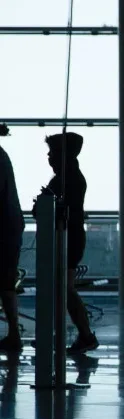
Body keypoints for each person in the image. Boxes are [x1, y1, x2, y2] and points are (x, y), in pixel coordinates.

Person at [37, 132, 99, 354]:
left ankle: (85, 335)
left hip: (67, 238)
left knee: (65, 288)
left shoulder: (66, 179)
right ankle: (77, 334)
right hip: (71, 237)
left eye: (52, 152)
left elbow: (54, 210)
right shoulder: (70, 176)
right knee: (63, 289)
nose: (49, 157)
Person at [0, 124, 25, 353]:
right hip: (9, 227)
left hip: (3, 229)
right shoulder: (2, 156)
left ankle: (14, 335)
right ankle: (14, 334)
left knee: (6, 284)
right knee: (6, 284)